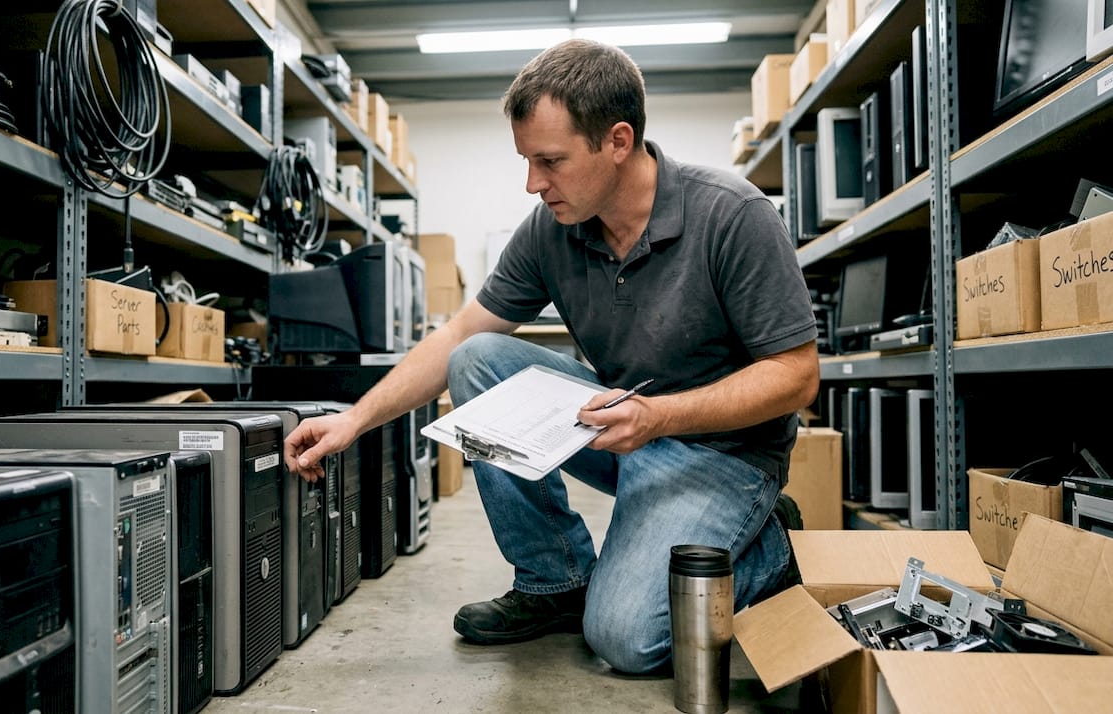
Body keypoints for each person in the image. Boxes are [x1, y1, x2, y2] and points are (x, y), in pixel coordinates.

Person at [283, 38, 820, 674]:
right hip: (625, 431)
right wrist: (353, 420)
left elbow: (796, 376)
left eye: (550, 161)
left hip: (724, 456)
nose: (533, 183)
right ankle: (554, 579)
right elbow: (459, 337)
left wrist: (658, 417)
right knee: (478, 358)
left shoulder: (731, 215)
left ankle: (769, 545)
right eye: (527, 161)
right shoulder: (552, 228)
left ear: (617, 142)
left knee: (625, 639)